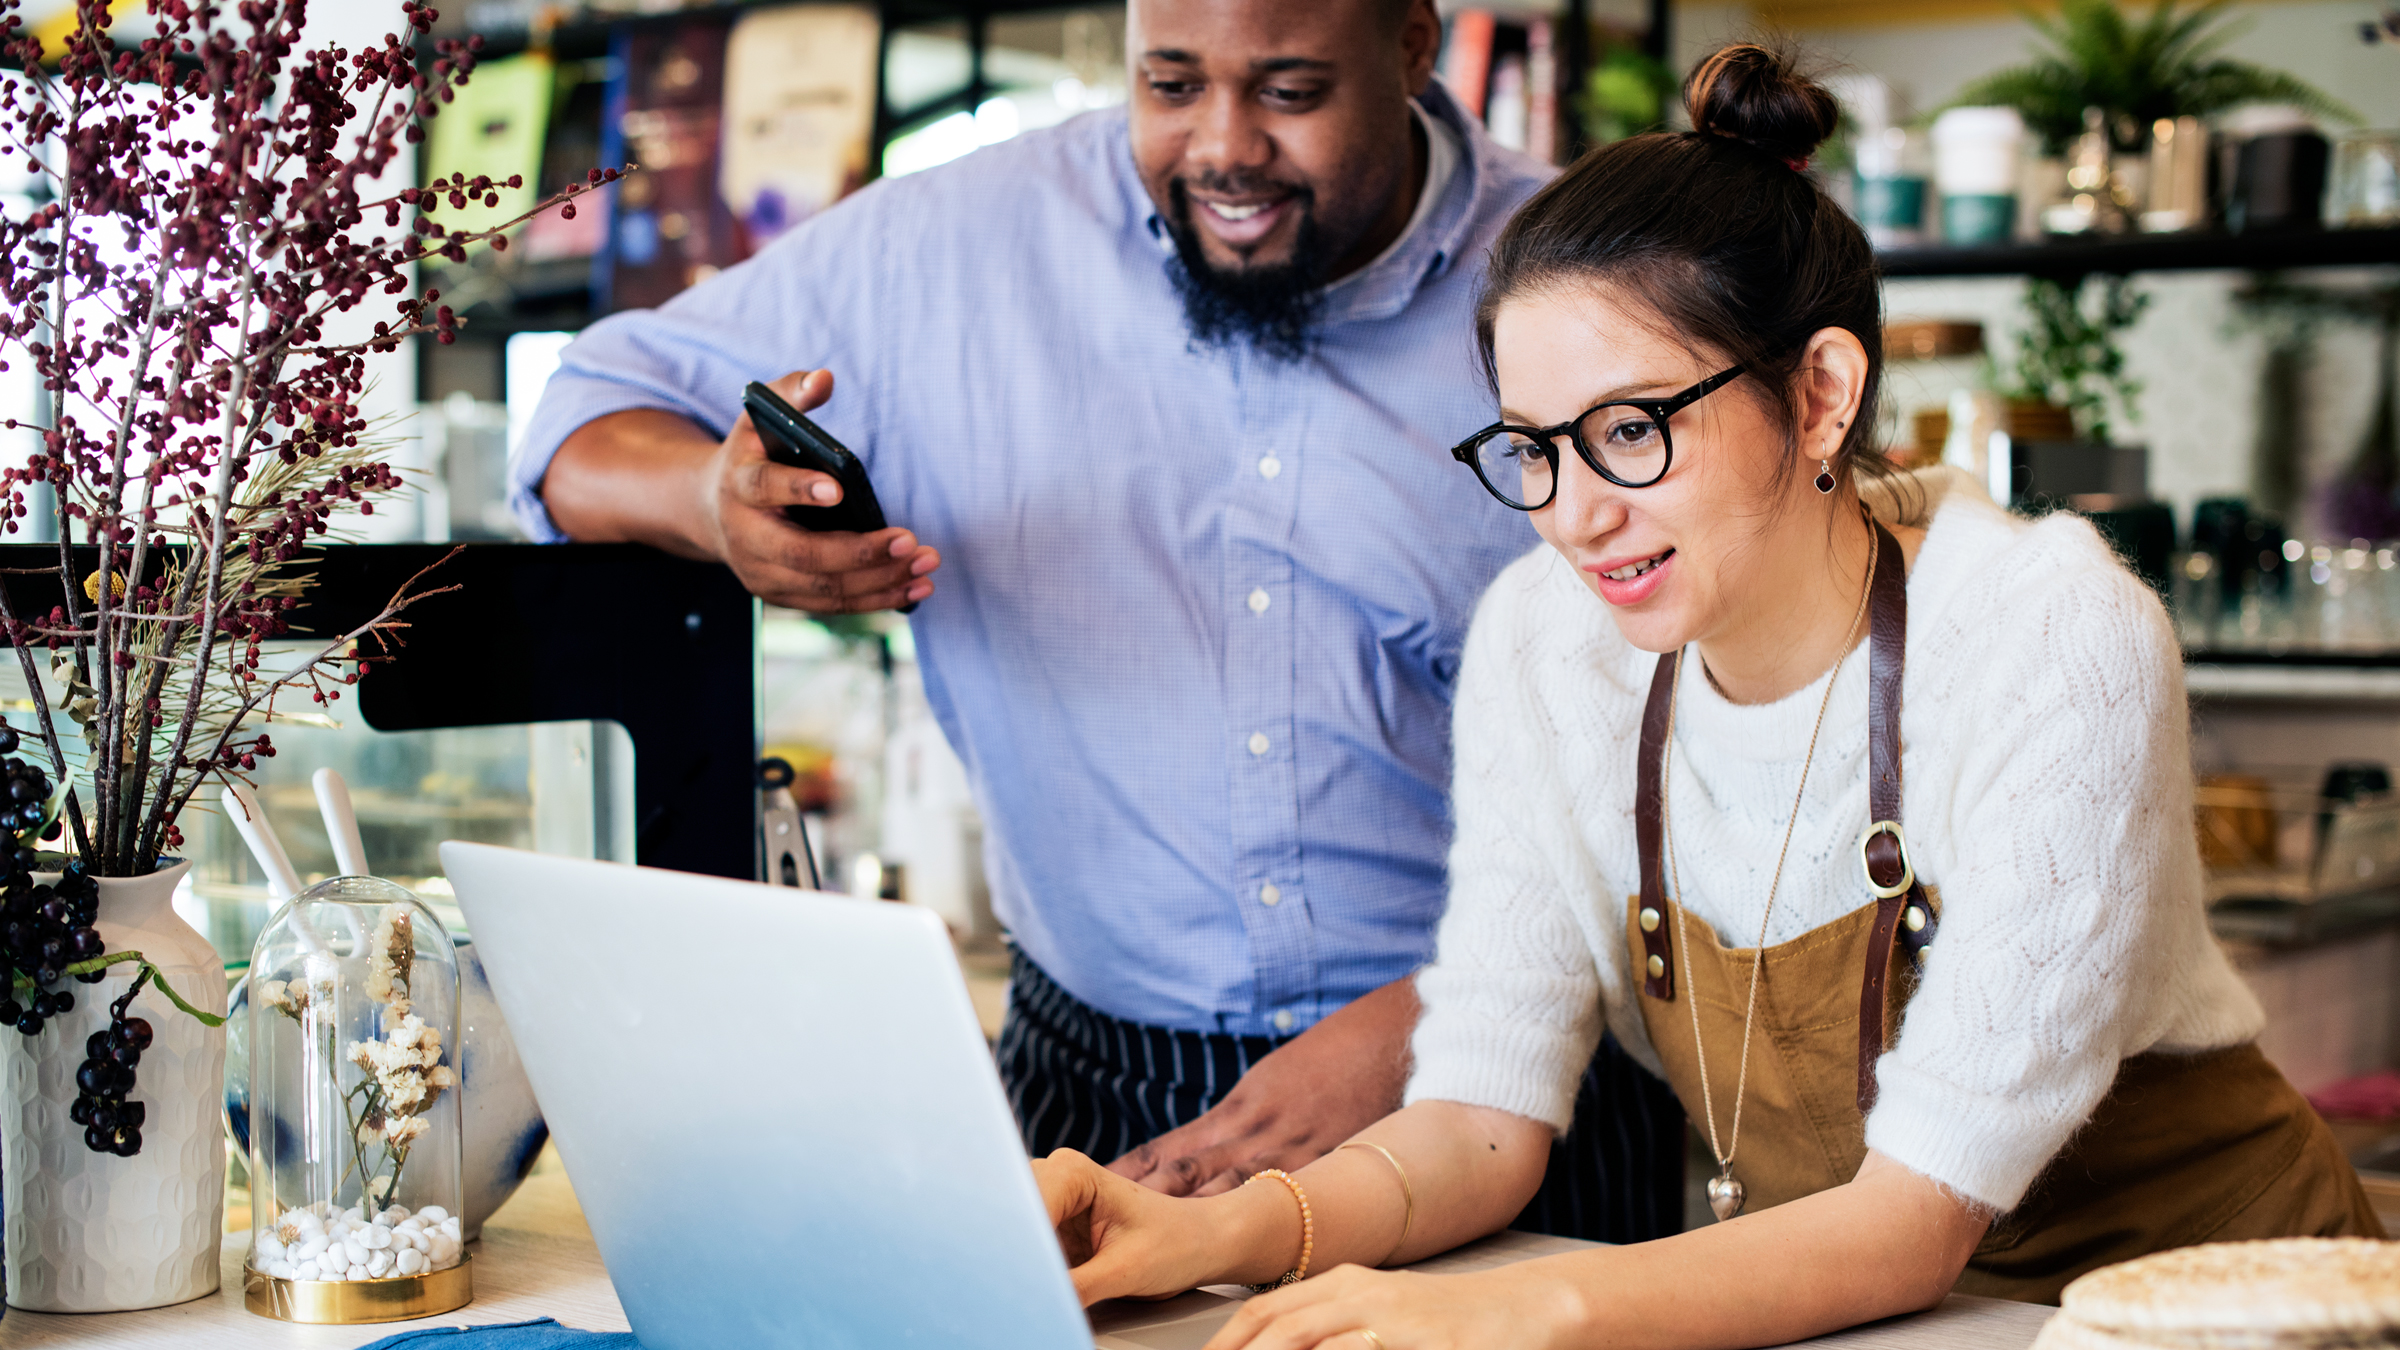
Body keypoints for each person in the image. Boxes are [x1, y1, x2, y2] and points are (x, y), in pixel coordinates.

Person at [1033, 44, 2385, 1347]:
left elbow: (1910, 1219)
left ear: (1820, 395)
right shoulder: (1545, 645)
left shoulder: (2048, 634)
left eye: (1632, 430)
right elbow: (1481, 1117)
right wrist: (1217, 1231)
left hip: (2227, 1309)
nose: (1574, 515)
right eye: (1533, 449)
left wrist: (1517, 1309)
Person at [510, 0, 1684, 1239]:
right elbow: (581, 420)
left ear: (1410, 45)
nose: (1223, 146)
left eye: (1289, 92)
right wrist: (712, 500)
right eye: (1170, 85)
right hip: (1102, 1092)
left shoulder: (1585, 282)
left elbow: (1741, 734)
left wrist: (1447, 1018)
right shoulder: (951, 247)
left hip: (1520, 1072)